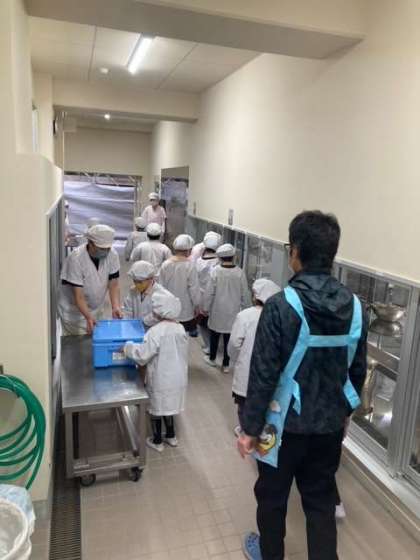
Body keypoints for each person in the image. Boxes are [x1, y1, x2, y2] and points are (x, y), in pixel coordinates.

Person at [237, 211, 367, 560]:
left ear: (295, 251)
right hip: (328, 428)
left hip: (281, 429)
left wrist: (249, 429)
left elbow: (263, 375)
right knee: (320, 503)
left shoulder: (280, 306)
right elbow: (357, 372)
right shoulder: (355, 307)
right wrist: (343, 413)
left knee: (272, 498)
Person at [123, 290, 188, 452]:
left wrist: (127, 347)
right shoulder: (180, 329)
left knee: (156, 409)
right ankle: (171, 436)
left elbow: (142, 355)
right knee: (169, 407)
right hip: (177, 378)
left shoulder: (155, 332)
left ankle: (157, 440)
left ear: (158, 312)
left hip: (160, 378)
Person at [229, 279, 281, 438]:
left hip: (247, 367)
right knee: (265, 402)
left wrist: (238, 358)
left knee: (244, 402)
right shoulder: (279, 316)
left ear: (255, 296)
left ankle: (246, 432)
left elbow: (234, 344)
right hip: (271, 369)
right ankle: (263, 433)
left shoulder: (245, 316)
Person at [58, 224, 123, 335]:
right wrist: (88, 316)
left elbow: (114, 284)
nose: (105, 252)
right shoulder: (76, 259)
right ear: (90, 243)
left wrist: (115, 306)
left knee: (95, 338)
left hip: (96, 309)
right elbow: (79, 296)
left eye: (108, 248)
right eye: (101, 249)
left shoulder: (112, 255)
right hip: (75, 313)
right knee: (77, 341)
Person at [202, 243, 250, 374]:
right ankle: (226, 364)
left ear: (220, 257)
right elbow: (245, 294)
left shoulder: (215, 271)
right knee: (229, 338)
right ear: (233, 257)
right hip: (233, 311)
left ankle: (212, 359)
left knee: (214, 335)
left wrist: (205, 307)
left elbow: (209, 292)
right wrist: (247, 309)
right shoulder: (240, 272)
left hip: (217, 310)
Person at [159, 234, 201, 335]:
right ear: (188, 250)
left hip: (168, 306)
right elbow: (194, 289)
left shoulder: (165, 264)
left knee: (168, 334)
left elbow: (160, 286)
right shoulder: (190, 266)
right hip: (185, 309)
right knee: (183, 336)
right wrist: (197, 305)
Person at [122, 260, 172, 328]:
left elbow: (158, 316)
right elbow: (127, 310)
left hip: (153, 331)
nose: (137, 284)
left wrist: (143, 322)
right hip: (136, 329)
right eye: (135, 281)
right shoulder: (133, 291)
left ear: (151, 279)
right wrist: (126, 323)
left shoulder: (160, 294)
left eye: (140, 282)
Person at [195, 232, 222, 353]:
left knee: (202, 323)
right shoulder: (219, 262)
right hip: (217, 296)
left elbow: (194, 279)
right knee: (214, 322)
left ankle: (208, 346)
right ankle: (213, 346)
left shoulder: (199, 261)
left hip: (201, 296)